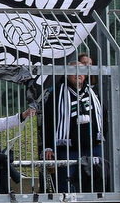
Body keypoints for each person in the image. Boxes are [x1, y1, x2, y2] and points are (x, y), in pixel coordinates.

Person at [41, 63, 106, 192]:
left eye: (81, 71)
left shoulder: (93, 92)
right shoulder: (57, 92)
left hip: (93, 147)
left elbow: (104, 115)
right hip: (67, 149)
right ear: (66, 74)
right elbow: (48, 121)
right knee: (66, 187)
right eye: (73, 71)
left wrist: (100, 139)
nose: (78, 74)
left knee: (94, 186)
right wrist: (48, 146)